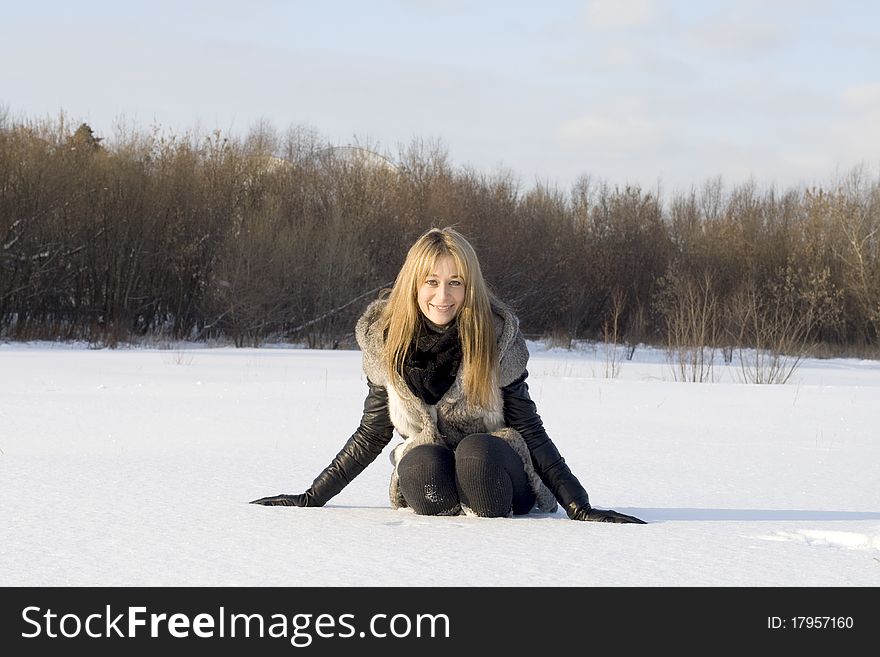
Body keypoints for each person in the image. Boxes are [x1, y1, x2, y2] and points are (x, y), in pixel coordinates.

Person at [251, 227, 645, 523]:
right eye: (433, 282)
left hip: (497, 469)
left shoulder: (495, 338)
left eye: (455, 283)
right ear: (414, 284)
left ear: (469, 286)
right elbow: (372, 433)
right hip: (433, 470)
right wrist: (312, 496)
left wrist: (578, 506)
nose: (444, 296)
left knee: (475, 455)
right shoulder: (385, 341)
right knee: (422, 462)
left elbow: (529, 428)